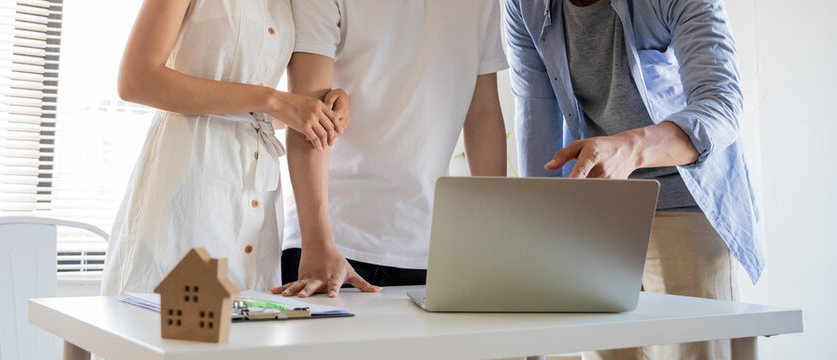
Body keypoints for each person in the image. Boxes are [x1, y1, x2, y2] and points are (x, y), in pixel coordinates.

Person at [504, 0, 762, 359]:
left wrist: (630, 149)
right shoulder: (523, 5)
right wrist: (537, 242)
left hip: (685, 198)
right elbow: (535, 118)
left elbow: (721, 104)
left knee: (694, 349)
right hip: (602, 217)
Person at [101, 0, 350, 296]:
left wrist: (314, 112)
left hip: (257, 197)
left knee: (247, 317)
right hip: (190, 182)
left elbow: (251, 113)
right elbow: (136, 79)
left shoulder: (291, 4)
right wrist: (273, 100)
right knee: (174, 315)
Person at [272, 0, 509, 298]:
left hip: (428, 248)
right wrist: (317, 243)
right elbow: (307, 115)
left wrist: (493, 238)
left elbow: (483, 114)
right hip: (331, 246)